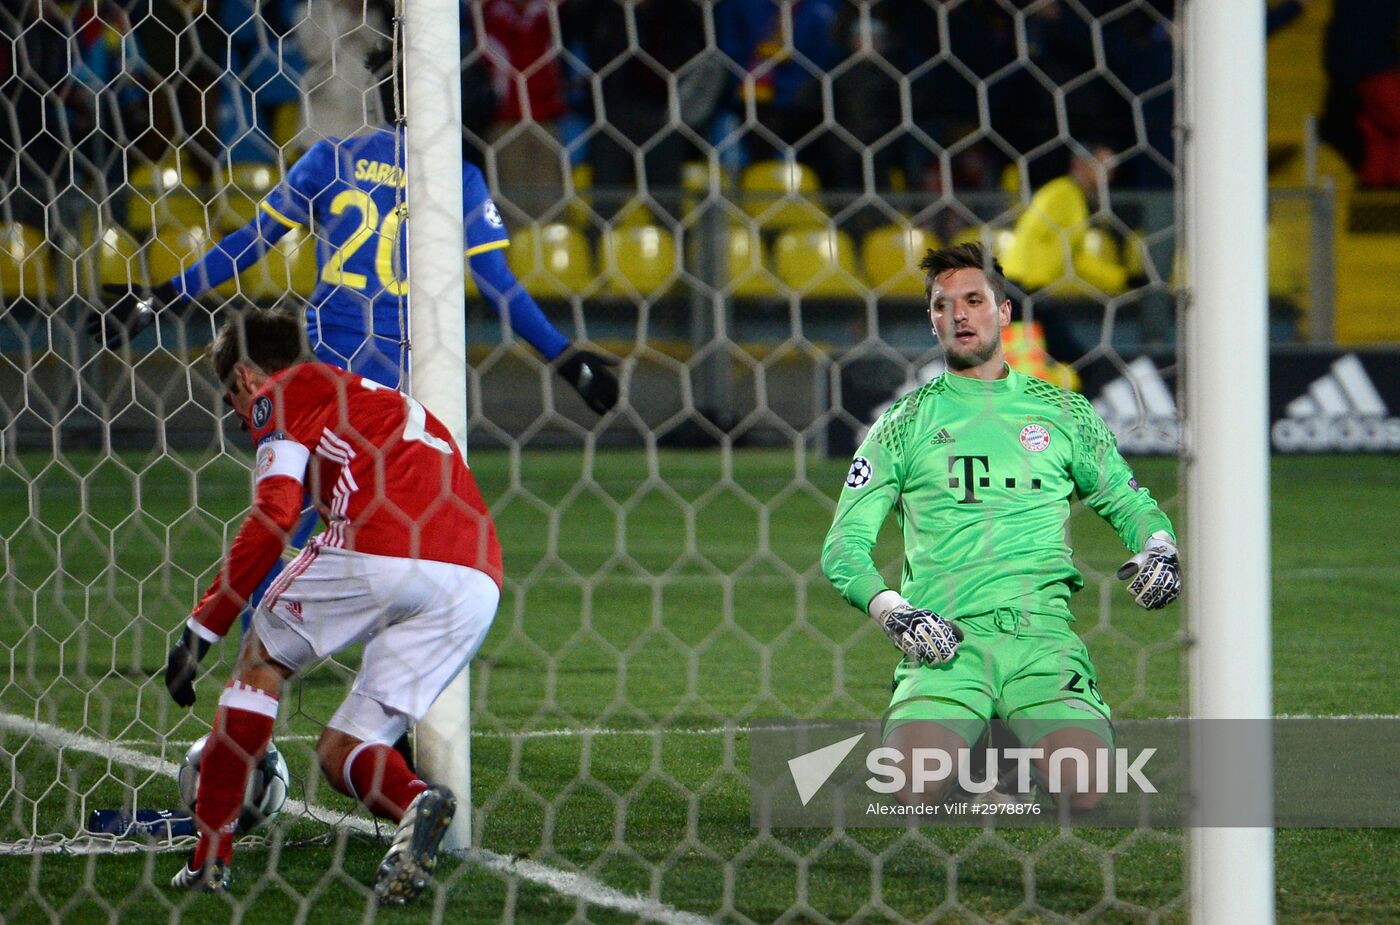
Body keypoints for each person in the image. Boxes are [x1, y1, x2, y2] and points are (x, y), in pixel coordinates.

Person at [820, 243, 1180, 815]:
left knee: (1088, 792)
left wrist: (1159, 546)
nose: (960, 315)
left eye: (973, 300)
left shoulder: (1064, 412)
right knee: (907, 792)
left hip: (1042, 640)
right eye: (943, 305)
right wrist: (893, 611)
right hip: (944, 641)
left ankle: (1008, 741)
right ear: (932, 320)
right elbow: (844, 546)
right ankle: (981, 738)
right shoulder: (903, 423)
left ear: (1004, 312)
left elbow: (1125, 499)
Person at [163, 307, 501, 903]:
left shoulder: (280, 395)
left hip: (379, 544)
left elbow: (274, 516)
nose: (241, 421)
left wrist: (202, 628)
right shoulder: (377, 397)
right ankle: (416, 803)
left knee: (260, 659)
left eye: (230, 401)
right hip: (475, 576)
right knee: (341, 750)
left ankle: (209, 856)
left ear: (245, 377)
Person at [999, 142, 1131, 392]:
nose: (1108, 173)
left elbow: (1077, 258)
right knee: (1071, 358)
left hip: (1028, 291)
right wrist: (1025, 278)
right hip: (1020, 289)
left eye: (1112, 167)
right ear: (1080, 165)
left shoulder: (1073, 200)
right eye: (1102, 165)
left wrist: (1122, 279)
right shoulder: (1061, 194)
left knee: (1065, 358)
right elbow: (1032, 234)